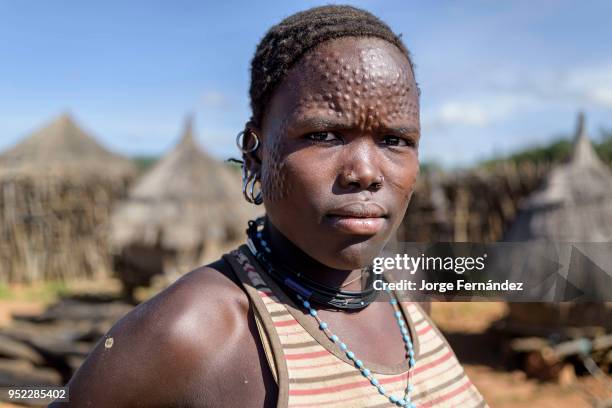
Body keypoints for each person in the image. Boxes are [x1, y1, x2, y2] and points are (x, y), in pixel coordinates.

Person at [53, 5, 487, 407]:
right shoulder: (193, 331)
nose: (366, 172)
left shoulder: (407, 291)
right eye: (323, 135)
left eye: (395, 140)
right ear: (255, 155)